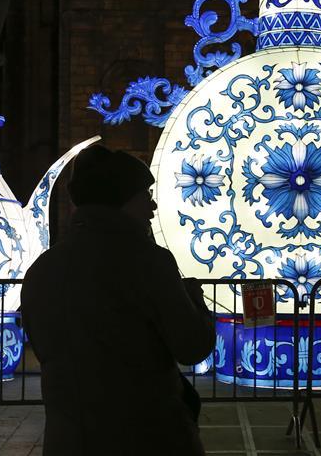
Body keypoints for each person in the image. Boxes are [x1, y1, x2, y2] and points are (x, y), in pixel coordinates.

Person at [21, 145, 215, 455]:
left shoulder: (42, 269)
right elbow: (192, 345)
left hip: (68, 439)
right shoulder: (148, 262)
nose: (152, 206)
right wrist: (195, 300)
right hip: (146, 436)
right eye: (144, 195)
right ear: (120, 199)